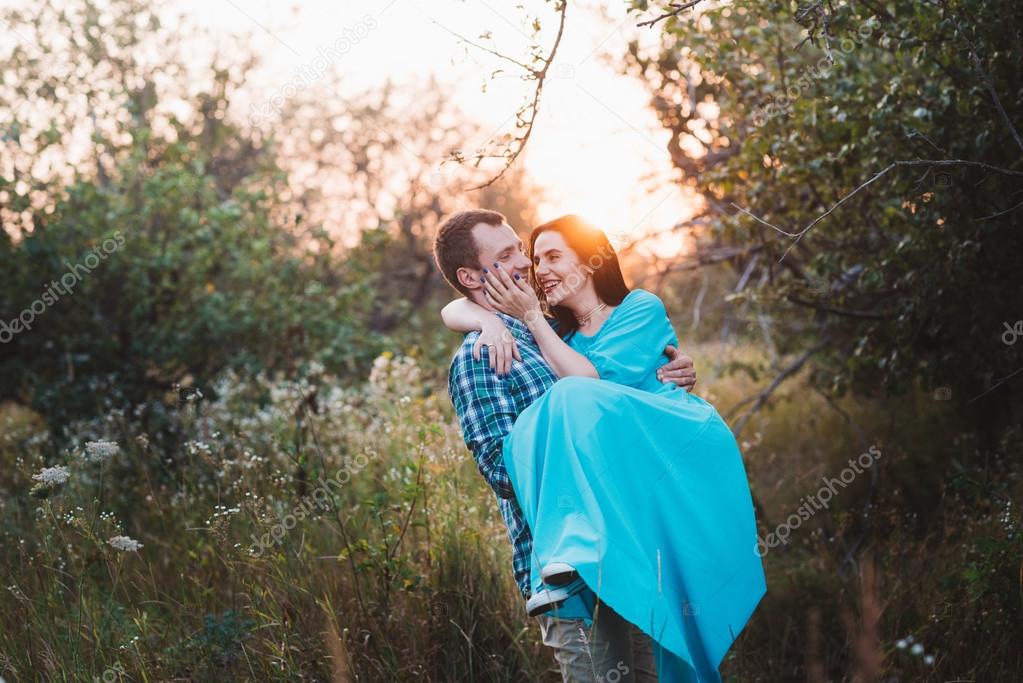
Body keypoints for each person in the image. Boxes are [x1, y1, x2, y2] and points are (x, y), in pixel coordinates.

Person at [441, 214, 767, 683]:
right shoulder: (482, 356)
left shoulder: (552, 336)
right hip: (565, 579)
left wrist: (671, 375)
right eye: (510, 255)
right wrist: (483, 322)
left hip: (629, 553)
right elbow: (501, 470)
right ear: (471, 277)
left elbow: (618, 401)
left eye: (526, 252)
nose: (527, 265)